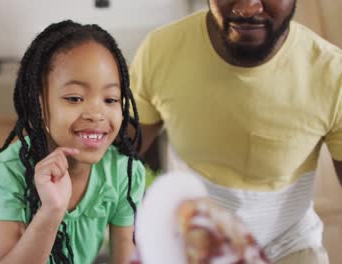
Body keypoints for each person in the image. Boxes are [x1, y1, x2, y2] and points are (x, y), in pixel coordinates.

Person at [129, 0, 341, 263]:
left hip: (290, 244)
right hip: (196, 245)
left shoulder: (332, 73)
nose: (248, 8)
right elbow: (117, 163)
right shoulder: (159, 50)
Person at [0, 20, 145, 264]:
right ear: (40, 105)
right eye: (75, 98)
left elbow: (124, 260)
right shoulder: (10, 169)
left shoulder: (124, 174)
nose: (96, 113)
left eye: (110, 99)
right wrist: (51, 210)